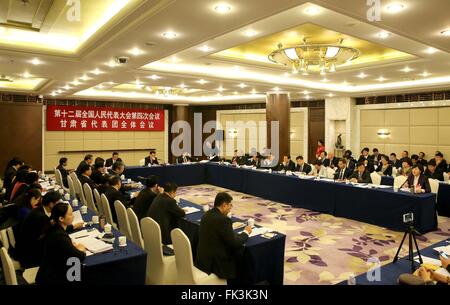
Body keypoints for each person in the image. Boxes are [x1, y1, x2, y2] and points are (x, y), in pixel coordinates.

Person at [15, 191, 83, 268]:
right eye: (58, 202)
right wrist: (74, 247)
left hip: (28, 248)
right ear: (51, 204)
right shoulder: (41, 218)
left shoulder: (40, 210)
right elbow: (53, 231)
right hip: (31, 255)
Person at [195, 192, 251, 282]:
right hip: (215, 265)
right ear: (224, 205)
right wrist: (246, 232)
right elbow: (235, 242)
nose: (230, 208)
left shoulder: (206, 214)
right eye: (230, 205)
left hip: (202, 260)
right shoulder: (223, 220)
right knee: (241, 257)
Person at [36, 202, 86, 285]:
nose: (73, 216)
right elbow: (79, 256)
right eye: (70, 214)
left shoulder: (54, 228)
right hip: (53, 278)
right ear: (61, 218)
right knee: (79, 269)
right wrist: (81, 248)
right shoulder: (59, 236)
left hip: (50, 271)